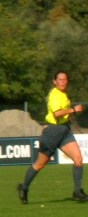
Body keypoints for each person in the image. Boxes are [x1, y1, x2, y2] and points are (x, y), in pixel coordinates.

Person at [17, 70, 87, 204]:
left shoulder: (63, 94)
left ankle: (78, 192)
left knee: (78, 159)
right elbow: (57, 114)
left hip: (65, 130)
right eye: (60, 79)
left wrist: (70, 115)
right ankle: (24, 187)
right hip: (53, 132)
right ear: (54, 81)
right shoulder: (55, 95)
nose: (63, 82)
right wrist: (73, 110)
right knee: (40, 164)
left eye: (65, 79)